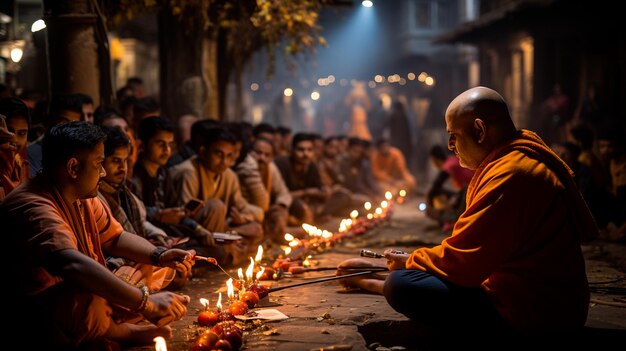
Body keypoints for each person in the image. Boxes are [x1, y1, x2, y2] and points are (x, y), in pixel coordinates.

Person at [337, 86, 597, 343]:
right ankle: (378, 277)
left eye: (453, 135)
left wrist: (406, 263)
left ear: (480, 130)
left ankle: (375, 283)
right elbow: (468, 254)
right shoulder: (511, 163)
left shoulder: (513, 174)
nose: (450, 145)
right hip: (533, 297)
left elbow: (466, 265)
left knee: (402, 286)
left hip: (536, 314)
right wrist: (402, 262)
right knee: (409, 273)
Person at [0, 121, 195, 349]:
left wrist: (159, 255)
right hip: (42, 310)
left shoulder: (82, 195)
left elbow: (114, 238)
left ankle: (114, 320)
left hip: (84, 290)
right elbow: (72, 265)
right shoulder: (34, 206)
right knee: (90, 303)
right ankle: (121, 331)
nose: (103, 173)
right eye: (99, 163)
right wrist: (147, 304)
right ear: (73, 168)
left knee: (147, 266)